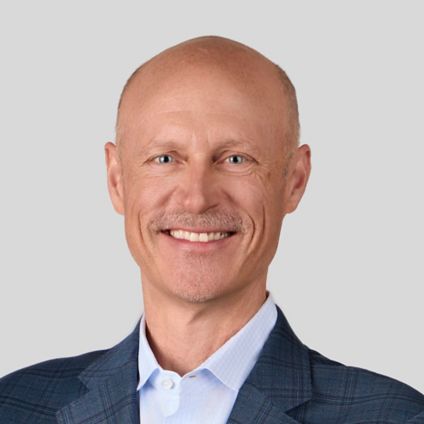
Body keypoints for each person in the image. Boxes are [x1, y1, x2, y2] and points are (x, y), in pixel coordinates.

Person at [0, 35, 423, 424]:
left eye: (236, 159)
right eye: (165, 159)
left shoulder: (396, 416)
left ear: (294, 181)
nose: (196, 198)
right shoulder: (12, 406)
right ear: (117, 180)